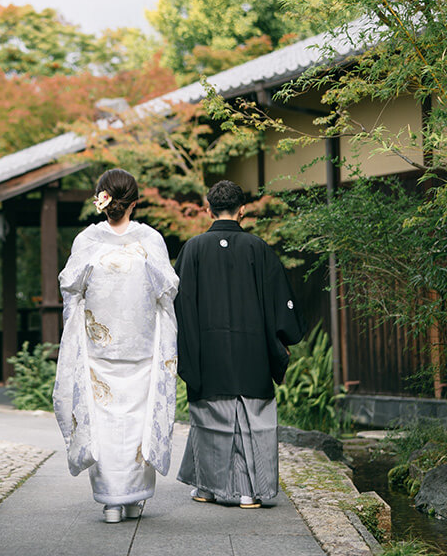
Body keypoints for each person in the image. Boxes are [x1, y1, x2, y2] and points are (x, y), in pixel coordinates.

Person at [52, 168, 180, 524]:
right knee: (139, 420)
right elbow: (167, 291)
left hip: (99, 350)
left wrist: (75, 331)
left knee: (104, 421)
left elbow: (70, 290)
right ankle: (134, 498)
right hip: (141, 346)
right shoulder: (150, 239)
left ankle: (111, 502)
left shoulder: (87, 241)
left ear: (102, 200)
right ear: (134, 203)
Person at [174, 179, 306, 508]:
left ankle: (207, 488)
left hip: (208, 355)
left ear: (208, 209)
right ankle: (250, 492)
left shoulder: (192, 249)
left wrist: (184, 349)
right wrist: (283, 339)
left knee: (209, 422)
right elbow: (282, 305)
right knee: (254, 425)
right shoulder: (259, 249)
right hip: (253, 356)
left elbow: (179, 305)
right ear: (242, 210)